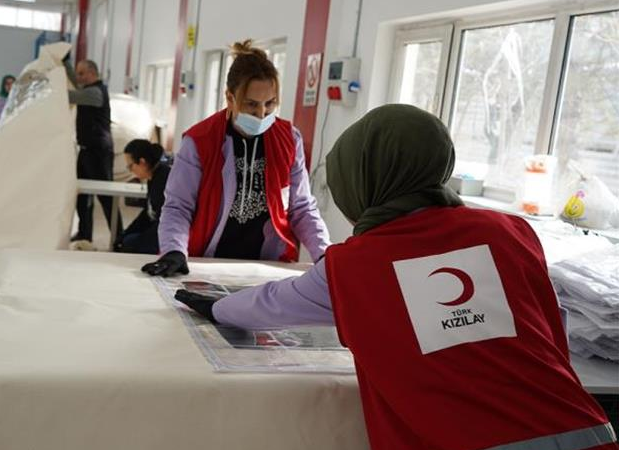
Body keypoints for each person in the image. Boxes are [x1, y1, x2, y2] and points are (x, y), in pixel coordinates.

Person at [175, 104, 617, 450]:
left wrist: (216, 305)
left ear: (365, 177)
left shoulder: (355, 266)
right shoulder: (510, 232)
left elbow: (269, 305)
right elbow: (551, 327)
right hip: (588, 431)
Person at [141, 39, 330, 277]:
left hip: (268, 264)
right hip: (207, 261)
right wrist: (173, 250)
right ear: (230, 98)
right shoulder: (200, 141)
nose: (261, 114)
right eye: (251, 105)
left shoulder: (289, 139)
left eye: (269, 104)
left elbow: (301, 207)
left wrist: (324, 253)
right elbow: (178, 207)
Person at [67, 59, 122, 245]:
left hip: (99, 152)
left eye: (81, 73)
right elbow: (75, 84)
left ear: (92, 73)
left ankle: (119, 238)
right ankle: (84, 234)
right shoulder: (88, 89)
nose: (78, 77)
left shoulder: (95, 93)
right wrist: (65, 61)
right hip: (86, 150)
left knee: (106, 196)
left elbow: (70, 95)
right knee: (82, 195)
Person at [114, 139, 171, 254]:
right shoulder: (152, 176)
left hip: (165, 235)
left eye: (130, 166)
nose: (130, 171)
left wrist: (137, 241)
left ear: (142, 162)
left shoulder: (163, 180)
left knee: (129, 243)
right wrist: (125, 233)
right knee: (126, 239)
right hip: (156, 229)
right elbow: (148, 212)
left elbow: (163, 223)